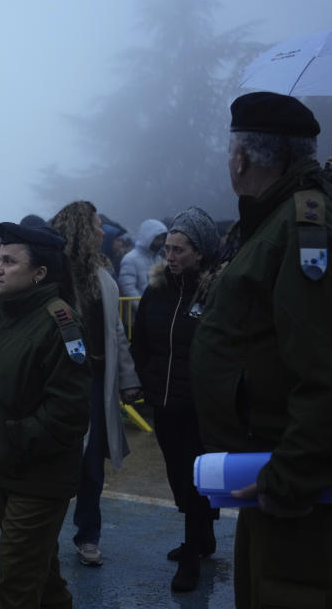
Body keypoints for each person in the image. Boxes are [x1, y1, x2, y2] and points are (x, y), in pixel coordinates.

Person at [191, 92, 332, 608]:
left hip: (297, 489)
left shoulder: (301, 228)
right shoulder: (276, 221)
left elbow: (326, 369)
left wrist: (289, 478)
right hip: (273, 474)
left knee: (289, 594)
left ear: (242, 159)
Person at [0, 222, 91, 609]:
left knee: (15, 583)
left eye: (10, 261)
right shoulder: (2, 314)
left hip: (37, 477)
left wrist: (11, 438)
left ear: (39, 273)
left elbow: (70, 411)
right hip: (4, 468)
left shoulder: (61, 323)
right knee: (41, 575)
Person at [130, 206, 220, 592]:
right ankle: (202, 536)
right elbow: (141, 342)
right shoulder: (156, 290)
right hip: (163, 403)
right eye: (167, 248)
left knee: (194, 478)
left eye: (179, 250)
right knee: (177, 475)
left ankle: (191, 557)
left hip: (200, 407)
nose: (170, 257)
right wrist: (146, 381)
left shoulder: (216, 293)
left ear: (199, 252)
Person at [50, 201, 141, 567]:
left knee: (91, 466)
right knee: (58, 463)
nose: (103, 232)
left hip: (97, 380)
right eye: (97, 225)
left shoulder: (104, 274)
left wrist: (128, 380)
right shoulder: (54, 274)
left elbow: (116, 331)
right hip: (61, 381)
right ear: (81, 230)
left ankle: (88, 535)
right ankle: (45, 537)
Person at [118, 218, 167, 297]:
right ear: (148, 237)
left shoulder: (158, 258)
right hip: (141, 308)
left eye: (162, 239)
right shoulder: (130, 259)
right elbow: (128, 288)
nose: (161, 242)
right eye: (157, 238)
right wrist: (143, 307)